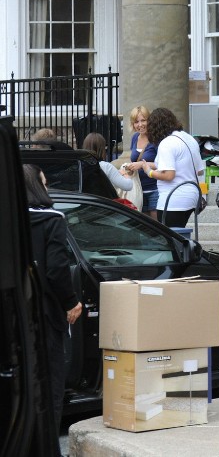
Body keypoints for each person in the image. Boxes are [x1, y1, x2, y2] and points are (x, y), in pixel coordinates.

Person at [24, 164, 82, 447]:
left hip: (15, 316)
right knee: (49, 386)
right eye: (44, 183)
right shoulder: (52, 220)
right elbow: (57, 269)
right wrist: (72, 301)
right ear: (37, 187)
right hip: (45, 315)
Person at [146, 107, 203, 228]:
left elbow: (169, 175)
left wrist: (149, 172)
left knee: (169, 239)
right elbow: (199, 171)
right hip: (192, 196)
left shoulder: (167, 143)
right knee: (180, 236)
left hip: (173, 198)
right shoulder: (189, 138)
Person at [122, 105, 159, 217]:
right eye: (136, 122)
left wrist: (142, 164)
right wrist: (129, 167)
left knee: (156, 227)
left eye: (143, 120)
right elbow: (134, 160)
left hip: (155, 190)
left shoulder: (156, 139)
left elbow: (163, 165)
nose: (140, 125)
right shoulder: (135, 138)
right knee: (144, 229)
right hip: (138, 190)